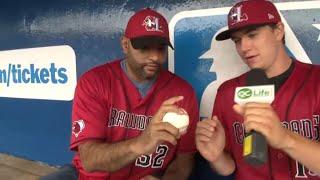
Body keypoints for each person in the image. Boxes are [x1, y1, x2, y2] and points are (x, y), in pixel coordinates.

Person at [68, 8, 199, 180]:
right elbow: (89, 159)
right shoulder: (95, 82)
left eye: (160, 48)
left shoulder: (182, 93)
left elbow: (184, 160)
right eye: (144, 47)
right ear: (125, 45)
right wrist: (142, 143)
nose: (154, 56)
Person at [195, 0, 320, 179]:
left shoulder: (316, 81)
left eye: (252, 35)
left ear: (278, 31)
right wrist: (217, 158)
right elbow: (229, 168)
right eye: (237, 40)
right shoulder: (227, 92)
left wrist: (286, 138)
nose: (244, 47)